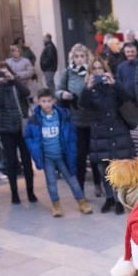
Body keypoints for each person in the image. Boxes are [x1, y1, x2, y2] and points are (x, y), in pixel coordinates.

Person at [25, 88, 92, 217]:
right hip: (47, 157)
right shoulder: (34, 119)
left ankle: (81, 202)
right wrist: (34, 149)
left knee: (72, 180)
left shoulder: (62, 116)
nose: (47, 104)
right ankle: (56, 205)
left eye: (49, 101)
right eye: (43, 101)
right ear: (39, 102)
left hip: (63, 155)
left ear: (54, 101)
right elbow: (29, 136)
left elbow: (71, 133)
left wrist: (71, 148)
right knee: (51, 182)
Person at [80, 58, 136, 214]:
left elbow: (127, 97)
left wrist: (115, 84)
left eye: (100, 68)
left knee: (118, 168)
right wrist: (87, 88)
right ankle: (109, 198)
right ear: (91, 72)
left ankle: (119, 200)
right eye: (95, 69)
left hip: (117, 130)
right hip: (100, 133)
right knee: (103, 168)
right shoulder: (90, 89)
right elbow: (82, 105)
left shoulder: (112, 86)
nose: (98, 71)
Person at [57, 43, 101, 198]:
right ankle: (80, 188)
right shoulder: (68, 72)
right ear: (72, 58)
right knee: (80, 155)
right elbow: (58, 90)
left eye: (82, 56)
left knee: (95, 154)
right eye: (76, 56)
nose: (79, 59)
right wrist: (64, 94)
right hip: (76, 119)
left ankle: (97, 183)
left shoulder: (91, 71)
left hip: (93, 118)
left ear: (86, 57)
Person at [0, 61, 36, 205]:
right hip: (6, 129)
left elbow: (26, 92)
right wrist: (1, 85)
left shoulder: (17, 83)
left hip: (21, 128)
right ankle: (14, 193)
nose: (3, 74)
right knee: (10, 162)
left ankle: (30, 191)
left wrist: (14, 80)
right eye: (0, 71)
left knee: (27, 161)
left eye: (5, 70)